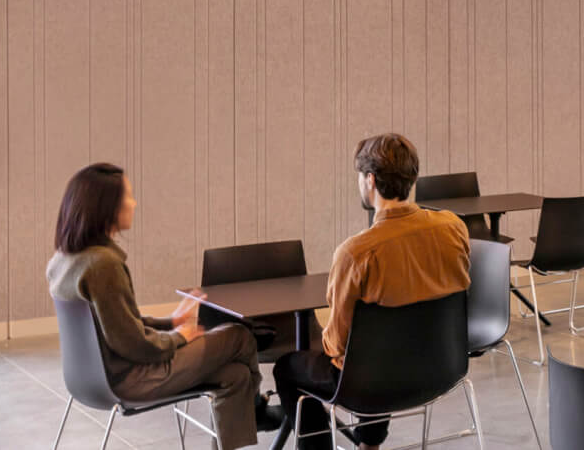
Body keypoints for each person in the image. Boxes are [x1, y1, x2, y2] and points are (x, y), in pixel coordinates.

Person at [46, 163, 277, 448]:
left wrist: (170, 323)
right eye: (127, 196)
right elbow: (132, 344)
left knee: (235, 376)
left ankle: (252, 409)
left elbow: (113, 324)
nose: (134, 202)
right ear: (107, 207)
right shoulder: (103, 265)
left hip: (87, 379)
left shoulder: (64, 261)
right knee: (239, 336)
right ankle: (256, 410)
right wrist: (180, 337)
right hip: (131, 379)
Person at [273, 133, 471, 447]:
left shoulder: (356, 253)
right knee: (380, 348)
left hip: (373, 383)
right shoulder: (454, 227)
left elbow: (337, 346)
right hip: (442, 368)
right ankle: (370, 444)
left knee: (289, 368)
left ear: (370, 181)